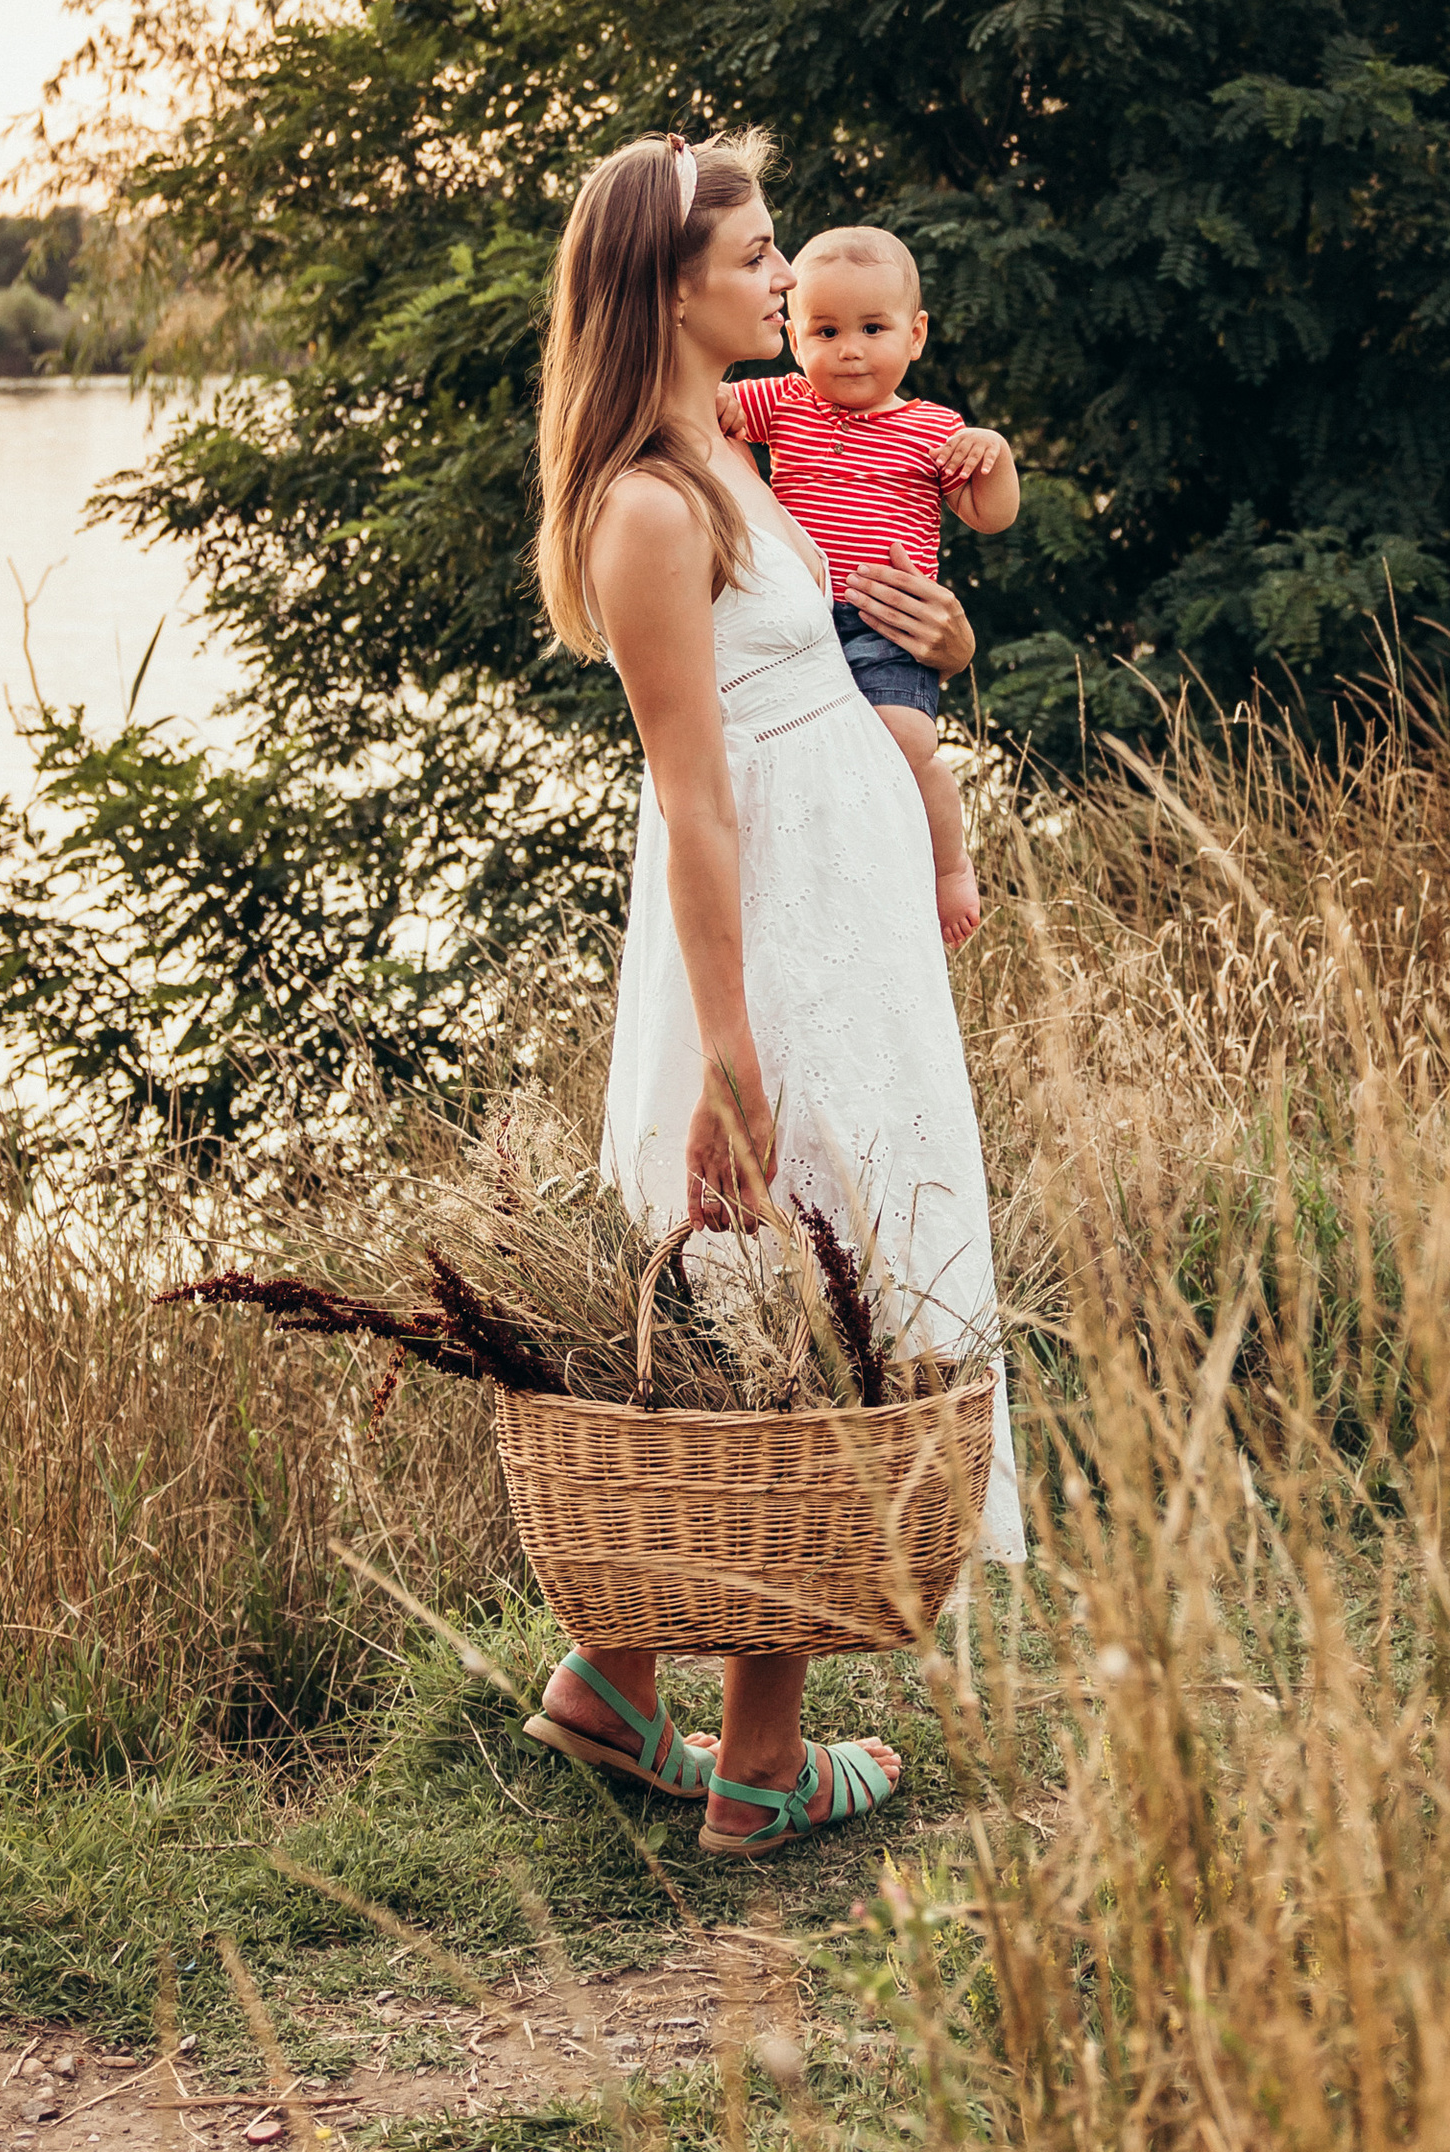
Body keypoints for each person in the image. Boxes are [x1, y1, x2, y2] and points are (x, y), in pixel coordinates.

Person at [523, 127, 1022, 1860]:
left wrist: (947, 650)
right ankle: (760, 1762)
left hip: (843, 914)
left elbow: (834, 659)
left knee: (799, 1273)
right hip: (771, 939)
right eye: (755, 261)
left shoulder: (732, 470)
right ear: (669, 285)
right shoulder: (652, 507)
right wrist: (730, 1061)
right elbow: (697, 798)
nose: (785, 284)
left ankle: (613, 1680)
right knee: (803, 1276)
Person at [726, 226, 1019, 949]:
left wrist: (997, 455)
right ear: (796, 339)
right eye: (825, 330)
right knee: (814, 760)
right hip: (804, 623)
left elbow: (990, 515)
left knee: (906, 737)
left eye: (872, 328)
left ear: (916, 335)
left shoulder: (934, 430)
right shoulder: (787, 403)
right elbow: (713, 408)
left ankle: (948, 866)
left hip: (888, 625)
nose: (849, 348)